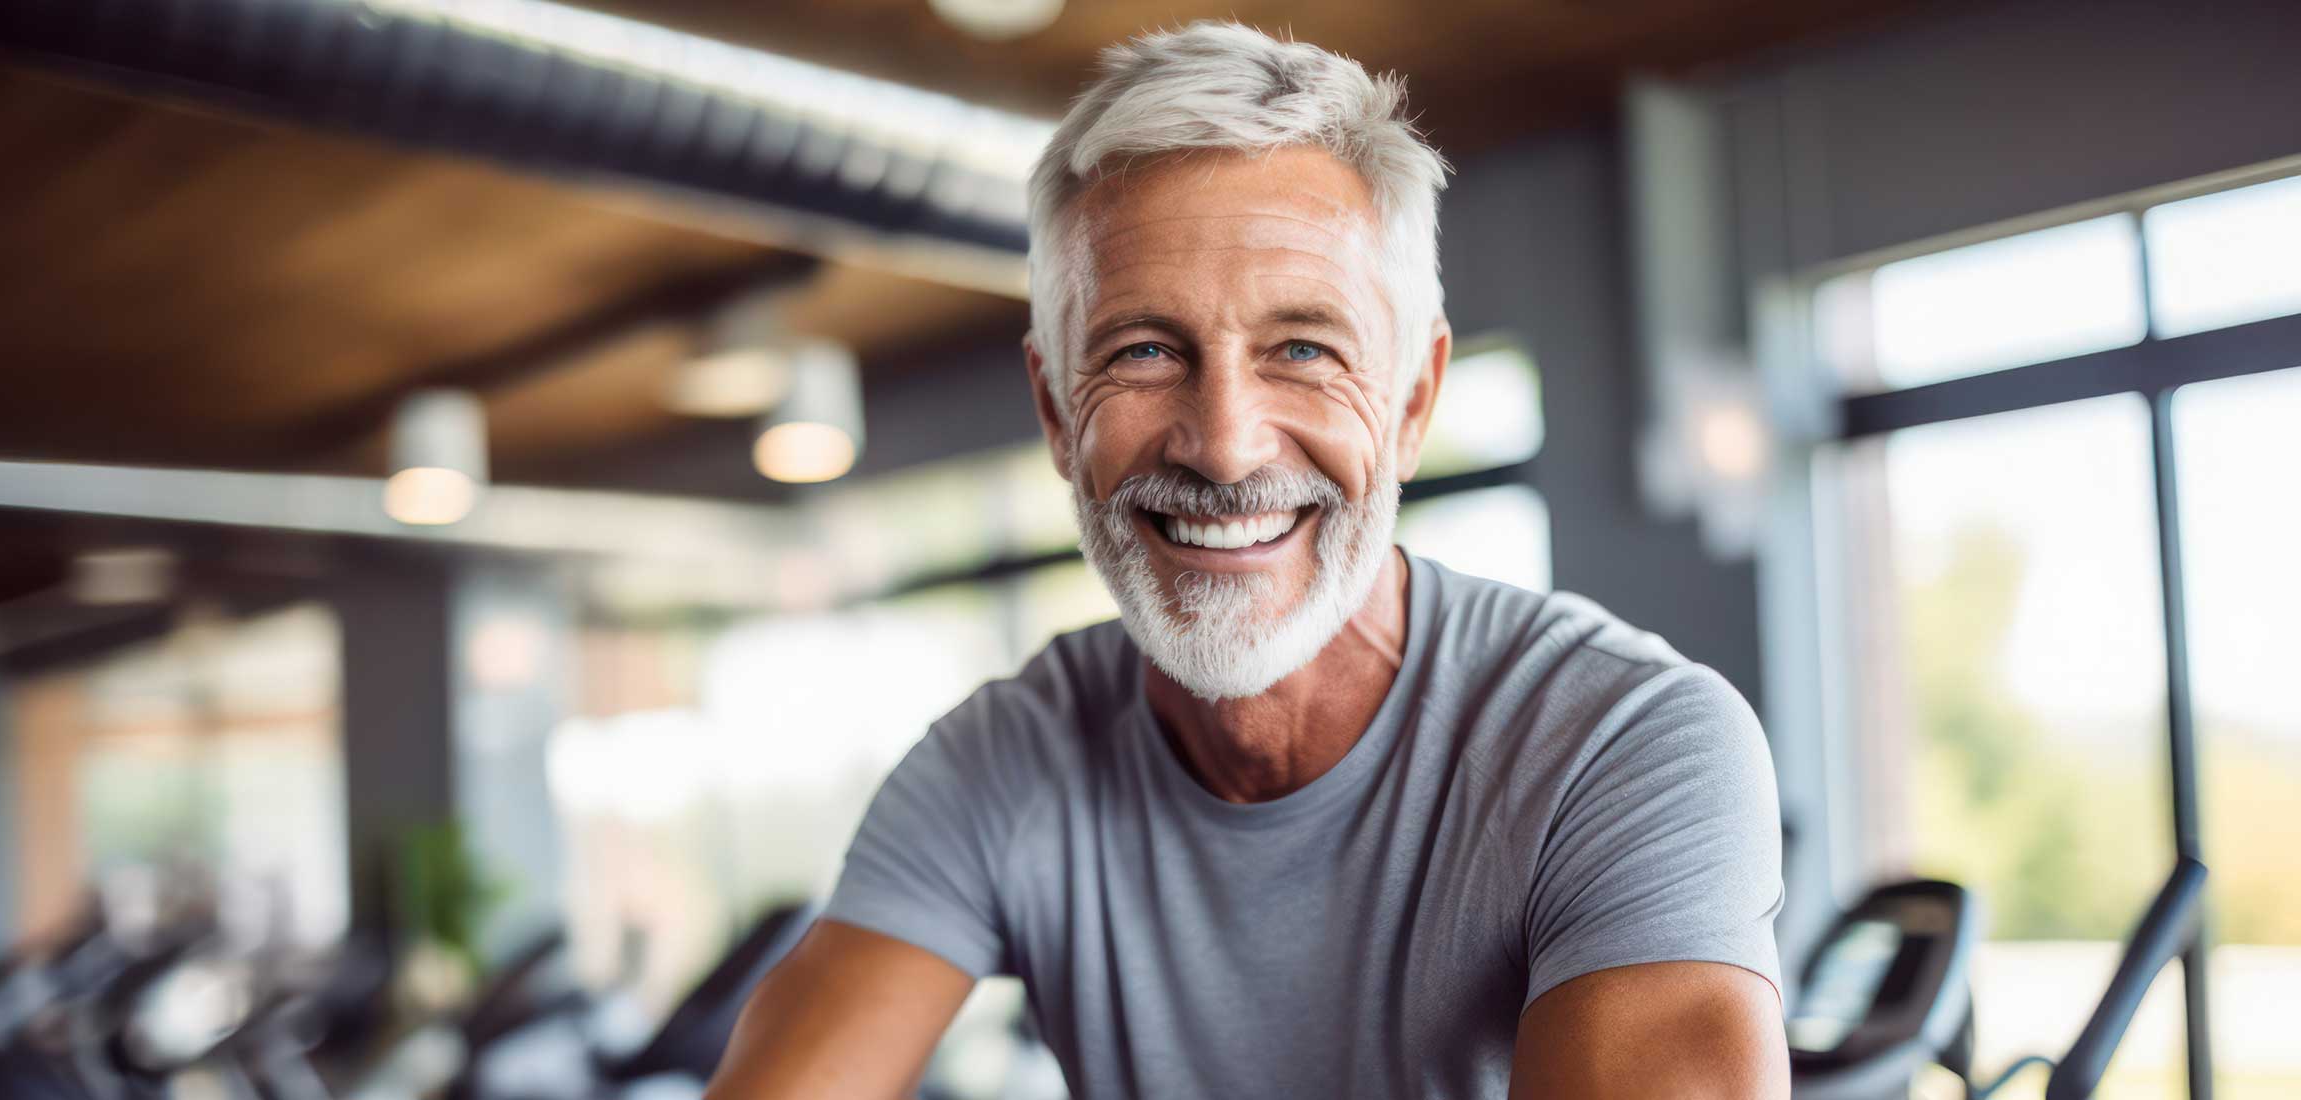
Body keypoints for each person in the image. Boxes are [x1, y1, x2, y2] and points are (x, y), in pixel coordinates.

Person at [712, 21, 1786, 1099]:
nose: (1224, 445)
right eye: (1143, 350)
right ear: (1052, 409)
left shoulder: (1623, 746)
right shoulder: (999, 764)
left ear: (1412, 401)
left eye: (1304, 349)